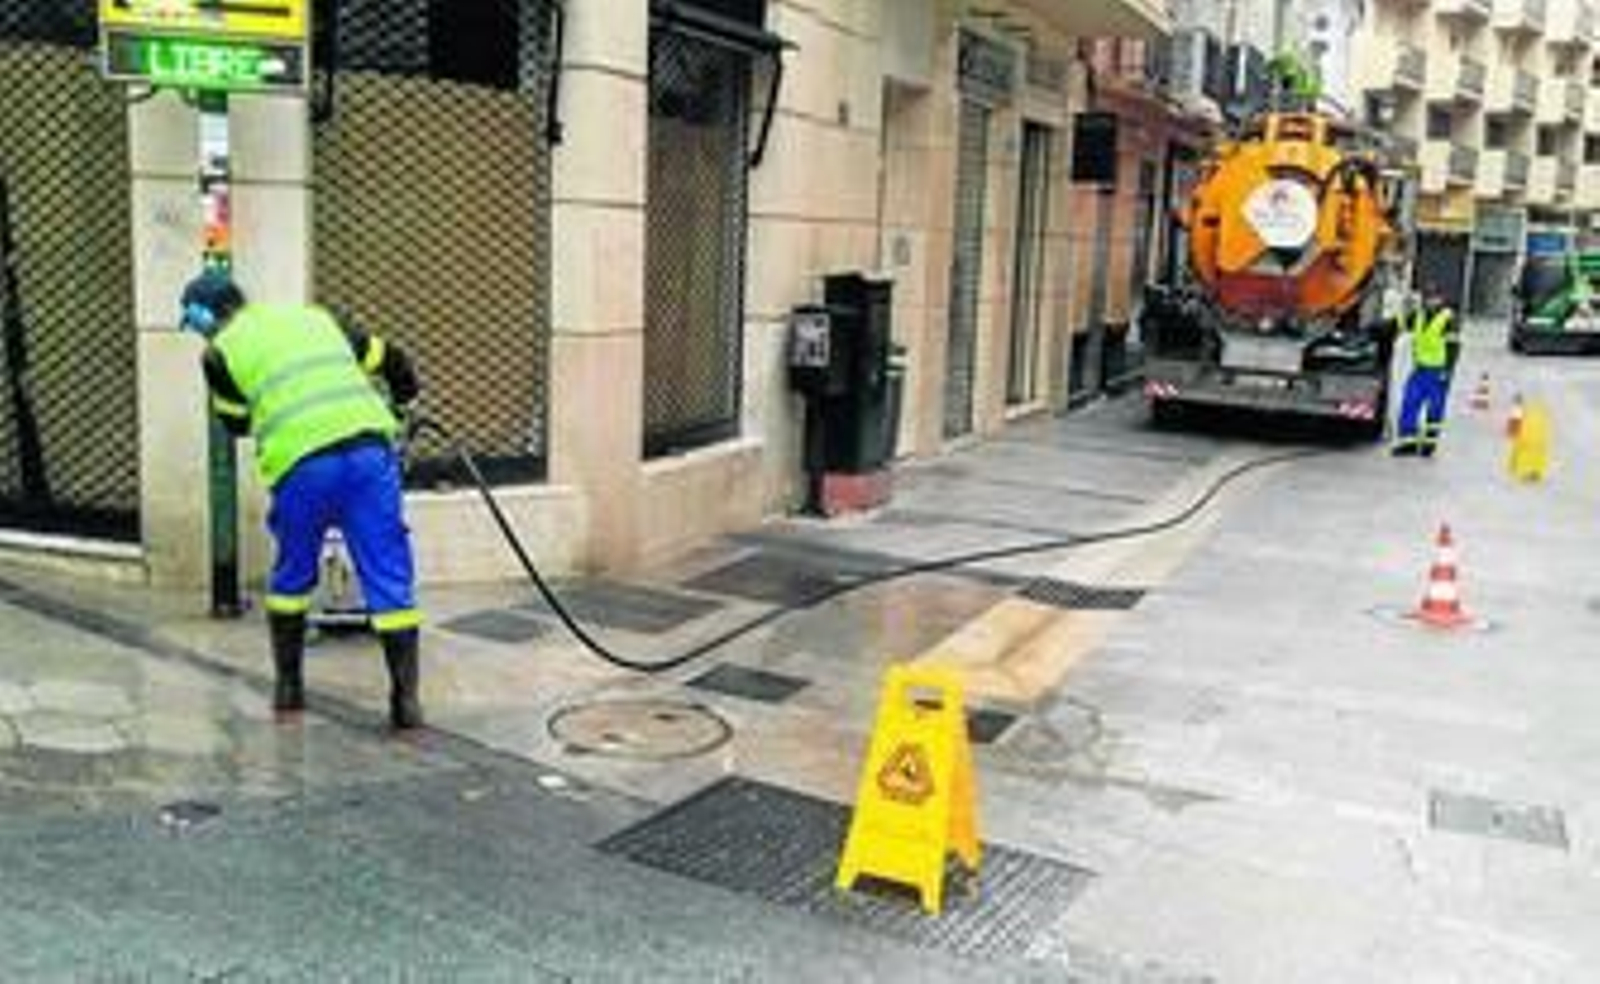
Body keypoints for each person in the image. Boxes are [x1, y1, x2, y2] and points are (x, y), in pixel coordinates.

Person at [179, 270, 425, 729]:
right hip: (370, 456)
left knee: (293, 572)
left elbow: (236, 425)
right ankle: (405, 704)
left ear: (206, 319)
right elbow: (393, 359)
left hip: (301, 466)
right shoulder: (316, 319)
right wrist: (405, 406)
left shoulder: (218, 355)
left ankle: (289, 689)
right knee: (389, 575)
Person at [1392, 291, 1460, 459]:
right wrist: (1380, 327)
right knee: (1409, 404)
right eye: (1428, 298)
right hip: (1420, 369)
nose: (1430, 301)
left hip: (1438, 371)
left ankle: (1429, 445)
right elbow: (1400, 324)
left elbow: (1453, 347)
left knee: (1435, 408)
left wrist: (1447, 371)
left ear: (1440, 300)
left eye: (1434, 298)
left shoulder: (1448, 319)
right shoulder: (1418, 316)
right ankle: (1408, 444)